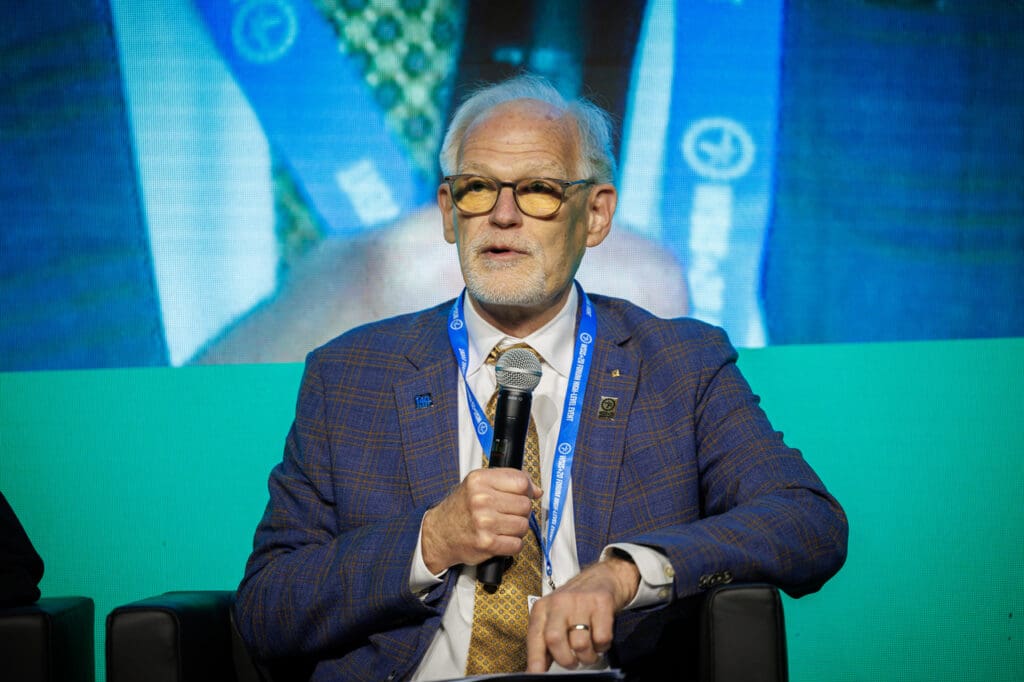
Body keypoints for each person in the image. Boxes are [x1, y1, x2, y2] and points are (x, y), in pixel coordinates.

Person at [233, 74, 848, 680]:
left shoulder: (679, 365)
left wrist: (627, 573)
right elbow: (265, 610)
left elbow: (805, 521)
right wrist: (428, 542)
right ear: (449, 213)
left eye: (538, 191)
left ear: (597, 214)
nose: (503, 215)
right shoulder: (349, 375)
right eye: (477, 188)